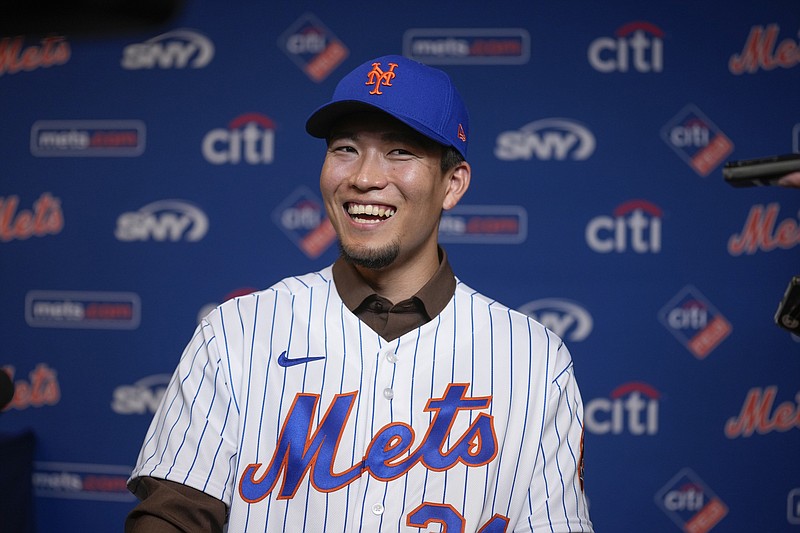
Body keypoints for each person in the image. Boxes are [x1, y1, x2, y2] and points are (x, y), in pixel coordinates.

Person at [126, 54, 593, 532]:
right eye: (345, 149)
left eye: (399, 152)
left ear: (453, 184)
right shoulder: (235, 333)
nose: (364, 177)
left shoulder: (533, 358)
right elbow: (171, 517)